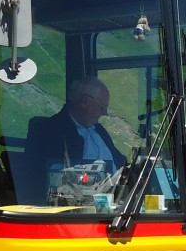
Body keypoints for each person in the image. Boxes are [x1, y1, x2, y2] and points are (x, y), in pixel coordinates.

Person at [22, 76, 126, 204]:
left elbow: (120, 162)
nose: (105, 113)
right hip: (81, 205)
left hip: (117, 199)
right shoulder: (50, 130)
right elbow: (56, 176)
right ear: (85, 101)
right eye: (102, 107)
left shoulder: (98, 129)